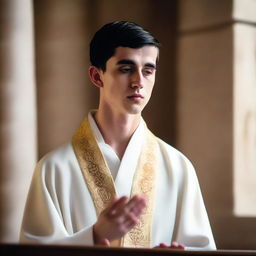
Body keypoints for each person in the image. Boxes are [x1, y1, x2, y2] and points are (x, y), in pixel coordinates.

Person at [19, 21, 216, 250]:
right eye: (126, 69)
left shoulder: (178, 167)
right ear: (96, 76)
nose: (139, 82)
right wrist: (94, 235)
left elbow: (201, 248)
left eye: (148, 70)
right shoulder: (53, 169)